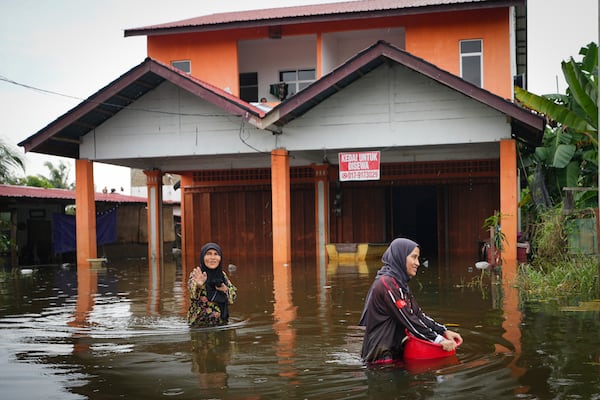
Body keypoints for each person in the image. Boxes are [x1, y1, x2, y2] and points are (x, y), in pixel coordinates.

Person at [359, 238, 462, 365]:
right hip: (380, 360)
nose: (417, 263)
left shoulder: (400, 284)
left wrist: (443, 331)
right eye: (413, 257)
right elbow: (409, 319)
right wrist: (439, 340)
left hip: (395, 355)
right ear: (400, 257)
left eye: (418, 258)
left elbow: (417, 315)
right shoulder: (386, 284)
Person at [187, 242, 237, 327]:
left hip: (221, 324)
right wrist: (199, 285)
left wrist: (225, 290)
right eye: (209, 254)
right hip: (200, 327)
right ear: (203, 257)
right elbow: (192, 293)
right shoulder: (198, 274)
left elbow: (233, 298)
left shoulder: (222, 275)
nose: (212, 258)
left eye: (216, 254)